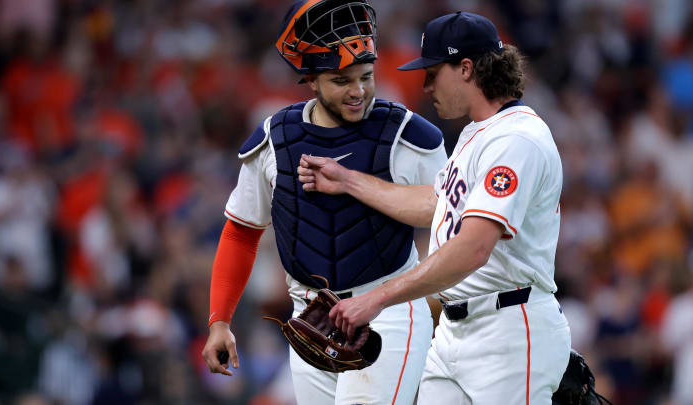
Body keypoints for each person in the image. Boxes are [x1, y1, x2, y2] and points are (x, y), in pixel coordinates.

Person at [298, 11, 572, 404]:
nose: (424, 85)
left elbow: (474, 246)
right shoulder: (477, 132)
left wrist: (375, 298)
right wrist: (347, 181)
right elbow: (436, 204)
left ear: (465, 68)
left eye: (432, 71)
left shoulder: (517, 139)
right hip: (454, 334)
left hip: (510, 332)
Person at [201, 1, 447, 404]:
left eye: (366, 76)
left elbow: (449, 213)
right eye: (341, 79)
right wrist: (219, 320)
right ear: (311, 81)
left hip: (388, 312)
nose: (358, 91)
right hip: (311, 319)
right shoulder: (275, 140)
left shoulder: (407, 134)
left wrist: (352, 182)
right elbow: (241, 233)